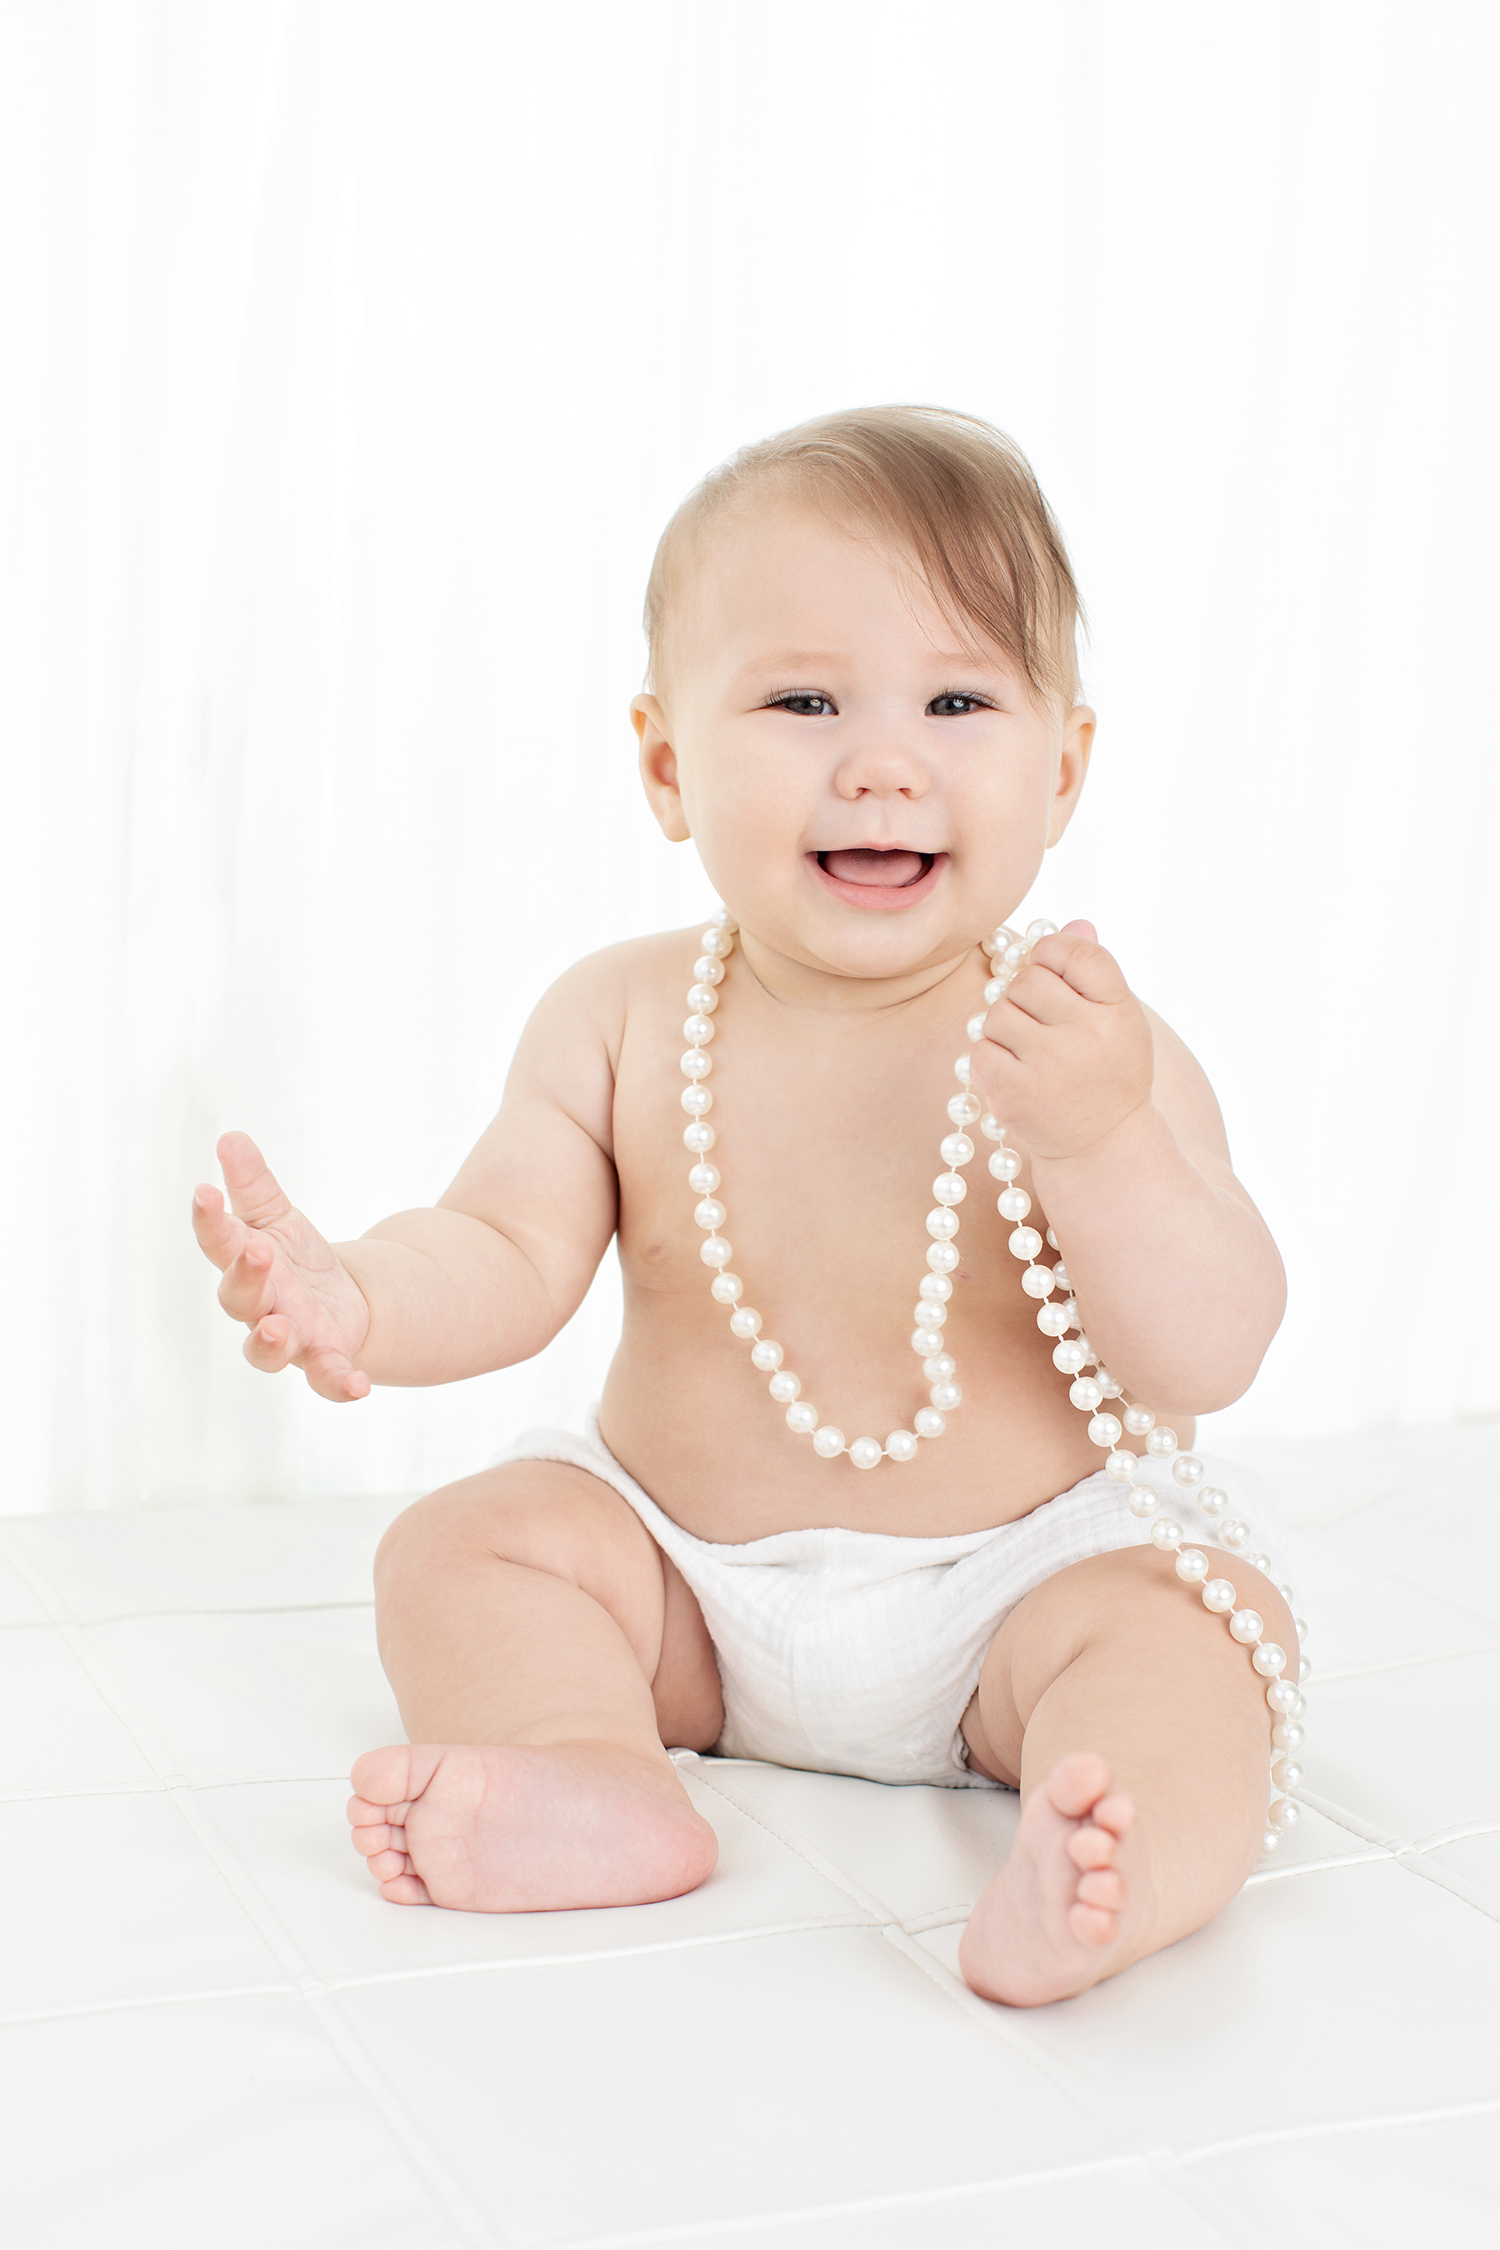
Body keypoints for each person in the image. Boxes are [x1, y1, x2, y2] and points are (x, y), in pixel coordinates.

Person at [192, 406, 1294, 2007]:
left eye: (958, 699)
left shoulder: (1079, 1049)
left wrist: (1107, 1139)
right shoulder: (623, 1016)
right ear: (663, 763)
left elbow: (1214, 1346)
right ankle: (596, 1772)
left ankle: (1117, 1870)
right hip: (687, 1591)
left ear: (1062, 770)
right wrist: (358, 1295)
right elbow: (502, 1243)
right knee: (463, 1547)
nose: (882, 758)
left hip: (1017, 1596)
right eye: (801, 699)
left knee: (1202, 1643)